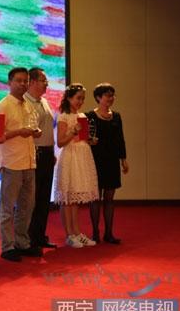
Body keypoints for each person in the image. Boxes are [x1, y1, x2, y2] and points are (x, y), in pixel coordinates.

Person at [0, 67, 43, 262]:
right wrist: (19, 132)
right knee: (7, 208)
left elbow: (31, 128)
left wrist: (35, 132)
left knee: (26, 206)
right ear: (10, 82)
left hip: (29, 161)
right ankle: (7, 247)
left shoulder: (28, 104)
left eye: (25, 81)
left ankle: (22, 243)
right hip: (11, 162)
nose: (23, 84)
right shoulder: (2, 105)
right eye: (19, 80)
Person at [54, 83, 99, 248]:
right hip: (70, 156)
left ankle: (77, 232)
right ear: (69, 98)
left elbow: (82, 137)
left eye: (82, 99)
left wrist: (90, 140)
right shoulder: (63, 116)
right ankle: (69, 234)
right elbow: (60, 142)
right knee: (68, 198)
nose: (80, 102)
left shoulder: (82, 116)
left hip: (81, 155)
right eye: (78, 98)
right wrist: (73, 131)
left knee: (76, 197)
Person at [86, 83, 128, 244]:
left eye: (112, 95)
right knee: (95, 198)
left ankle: (109, 233)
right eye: (107, 95)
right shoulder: (89, 116)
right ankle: (95, 233)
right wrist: (90, 141)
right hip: (94, 161)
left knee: (110, 198)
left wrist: (123, 160)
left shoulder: (116, 116)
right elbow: (83, 139)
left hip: (112, 161)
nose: (111, 98)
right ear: (98, 97)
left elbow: (120, 140)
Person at [24, 68, 57, 249]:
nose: (47, 84)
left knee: (44, 198)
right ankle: (29, 239)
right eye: (44, 80)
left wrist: (52, 152)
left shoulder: (43, 101)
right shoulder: (25, 102)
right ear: (33, 82)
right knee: (33, 199)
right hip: (34, 153)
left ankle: (39, 236)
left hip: (47, 153)